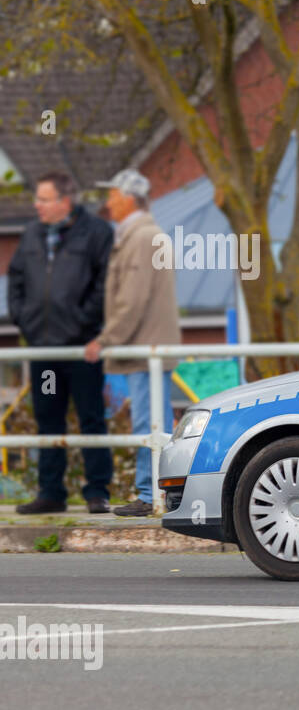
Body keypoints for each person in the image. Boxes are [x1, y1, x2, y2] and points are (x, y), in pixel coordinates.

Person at [6, 171, 114, 514]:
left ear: (64, 202)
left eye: (43, 198)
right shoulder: (32, 234)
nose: (36, 205)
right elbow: (16, 280)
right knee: (48, 417)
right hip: (45, 352)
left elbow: (104, 285)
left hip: (82, 350)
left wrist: (83, 323)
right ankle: (51, 492)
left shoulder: (96, 233)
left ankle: (97, 491)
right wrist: (26, 322)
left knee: (91, 418)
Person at [83, 169, 182, 516]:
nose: (108, 202)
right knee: (156, 422)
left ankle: (150, 494)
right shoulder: (143, 235)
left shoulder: (140, 238)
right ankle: (160, 492)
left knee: (149, 424)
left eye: (112, 195)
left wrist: (107, 339)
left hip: (145, 349)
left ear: (127, 198)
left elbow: (133, 300)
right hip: (148, 347)